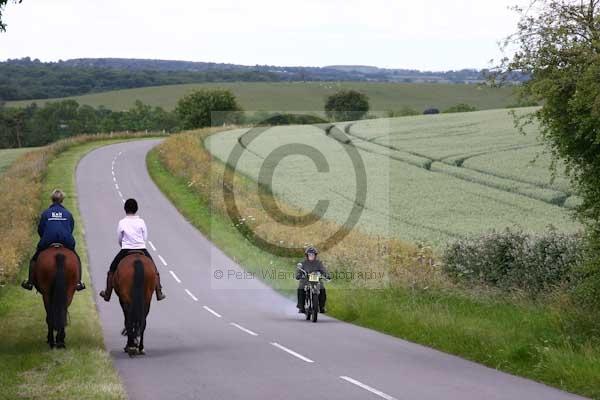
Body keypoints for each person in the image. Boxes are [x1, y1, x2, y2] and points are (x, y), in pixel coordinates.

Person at [99, 198, 165, 302]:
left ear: (125, 209)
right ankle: (159, 292)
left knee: (112, 269)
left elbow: (119, 239)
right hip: (141, 248)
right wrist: (139, 244)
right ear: (136, 209)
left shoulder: (122, 222)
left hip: (126, 249)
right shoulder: (141, 221)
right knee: (154, 270)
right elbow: (145, 237)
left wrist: (124, 245)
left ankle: (107, 293)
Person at [22, 189, 85, 291]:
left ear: (52, 199)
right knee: (76, 258)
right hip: (66, 240)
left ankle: (30, 282)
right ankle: (79, 282)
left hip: (48, 239)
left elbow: (40, 229)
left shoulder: (46, 213)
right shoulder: (68, 214)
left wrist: (45, 237)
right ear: (62, 200)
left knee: (34, 259)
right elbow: (70, 228)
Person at [296, 246, 330, 314]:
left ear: (315, 255)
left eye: (313, 254)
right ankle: (301, 307)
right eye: (309, 254)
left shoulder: (319, 263)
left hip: (317, 281)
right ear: (307, 255)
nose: (311, 256)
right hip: (305, 281)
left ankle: (322, 307)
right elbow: (299, 271)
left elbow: (323, 270)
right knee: (300, 289)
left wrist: (327, 275)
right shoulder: (303, 263)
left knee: (322, 289)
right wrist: (299, 275)